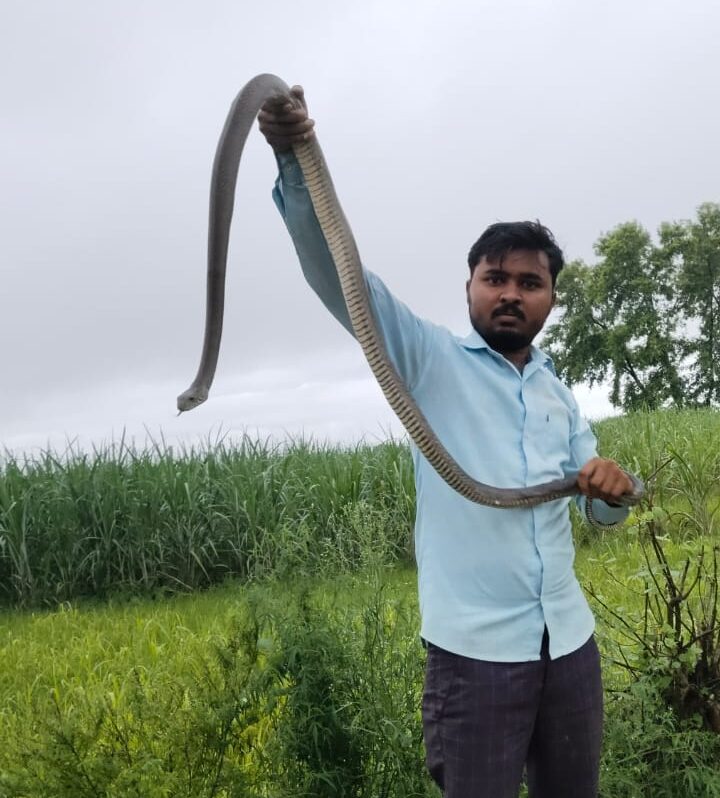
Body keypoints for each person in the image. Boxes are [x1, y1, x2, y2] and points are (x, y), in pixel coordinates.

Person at [258, 86, 635, 798]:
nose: (511, 293)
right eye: (495, 278)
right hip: (476, 659)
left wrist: (614, 494)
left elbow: (598, 507)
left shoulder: (558, 396)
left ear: (551, 300)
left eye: (530, 282)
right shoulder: (427, 362)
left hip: (570, 646)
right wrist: (293, 158)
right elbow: (340, 278)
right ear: (469, 289)